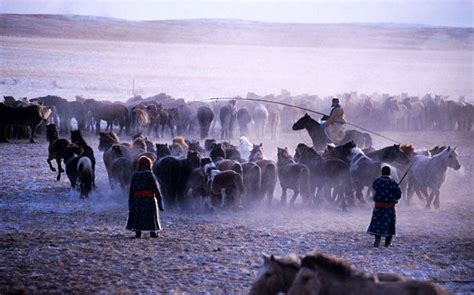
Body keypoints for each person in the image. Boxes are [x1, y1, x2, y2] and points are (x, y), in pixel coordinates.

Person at [126, 156, 164, 238]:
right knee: (151, 217)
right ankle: (153, 232)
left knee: (138, 216)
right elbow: (155, 188)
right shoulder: (150, 174)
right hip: (149, 199)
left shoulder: (135, 175)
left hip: (138, 199)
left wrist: (130, 202)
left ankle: (138, 232)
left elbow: (131, 190)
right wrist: (160, 199)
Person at [367, 166, 401, 247]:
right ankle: (387, 242)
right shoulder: (393, 183)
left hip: (378, 207)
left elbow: (374, 188)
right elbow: (398, 195)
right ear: (390, 173)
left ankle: (377, 240)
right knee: (389, 224)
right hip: (389, 208)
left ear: (381, 172)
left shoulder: (377, 181)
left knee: (377, 223)